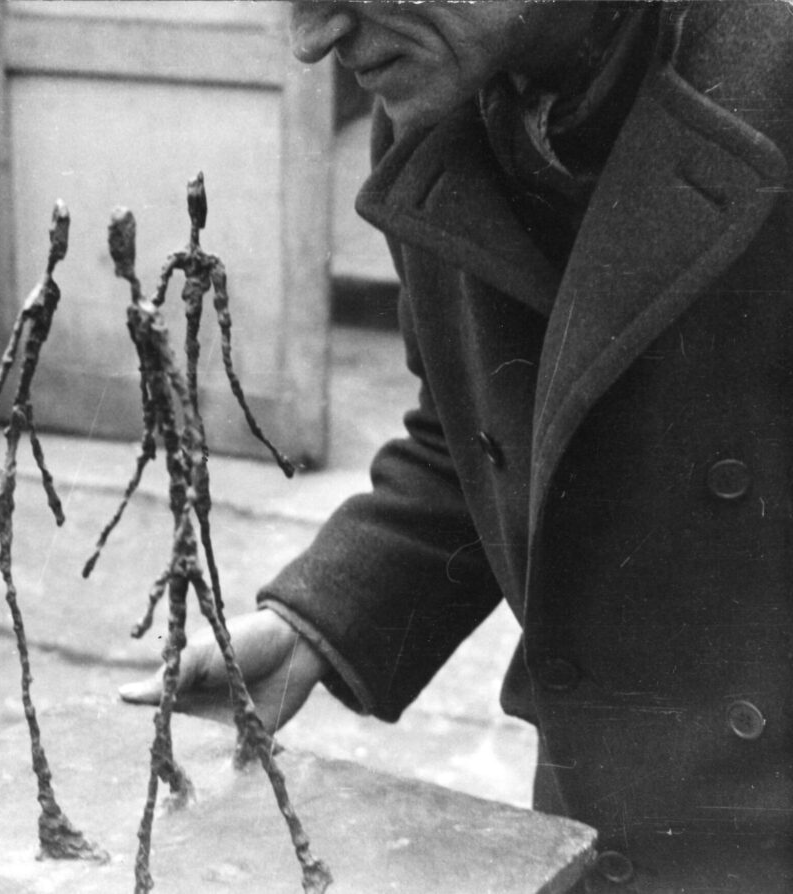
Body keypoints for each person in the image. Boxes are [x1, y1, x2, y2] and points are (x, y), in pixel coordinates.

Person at [121, 2, 793, 890]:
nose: (310, 40)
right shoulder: (438, 119)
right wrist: (315, 626)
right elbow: (485, 434)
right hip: (605, 811)